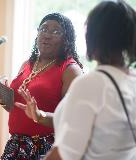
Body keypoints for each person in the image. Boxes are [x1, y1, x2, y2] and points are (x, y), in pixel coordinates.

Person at [17, 1, 136, 160]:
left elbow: (64, 154)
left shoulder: (91, 83)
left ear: (93, 37)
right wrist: (40, 116)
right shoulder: (132, 80)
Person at [0, 13, 83, 159]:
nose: (47, 35)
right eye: (43, 29)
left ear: (66, 40)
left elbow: (74, 120)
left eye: (56, 31)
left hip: (45, 147)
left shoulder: (70, 70)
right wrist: (3, 99)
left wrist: (41, 116)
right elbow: (18, 109)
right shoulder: (27, 64)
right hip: (16, 144)